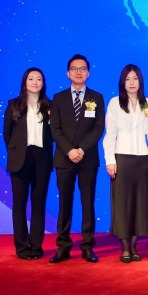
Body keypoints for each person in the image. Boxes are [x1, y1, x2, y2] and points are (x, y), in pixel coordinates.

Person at [49, 54, 105, 264]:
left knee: (87, 203)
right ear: (68, 73)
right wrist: (69, 150)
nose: (78, 72)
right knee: (65, 203)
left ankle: (88, 246)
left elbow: (98, 128)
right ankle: (63, 246)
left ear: (88, 73)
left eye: (82, 68)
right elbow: (55, 129)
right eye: (74, 68)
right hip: (64, 159)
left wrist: (80, 149)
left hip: (87, 158)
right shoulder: (59, 98)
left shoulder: (96, 98)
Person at [104, 64, 148, 263]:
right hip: (122, 159)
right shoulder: (115, 103)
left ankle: (134, 246)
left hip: (142, 159)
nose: (132, 83)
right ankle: (125, 247)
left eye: (135, 78)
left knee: (139, 203)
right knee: (122, 203)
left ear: (140, 81)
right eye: (128, 79)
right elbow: (110, 134)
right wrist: (110, 160)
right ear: (122, 82)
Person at [3, 67, 53, 260]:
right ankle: (22, 247)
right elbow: (7, 133)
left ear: (43, 83)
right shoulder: (13, 104)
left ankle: (37, 246)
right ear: (25, 82)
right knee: (19, 204)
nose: (35, 82)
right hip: (20, 159)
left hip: (42, 158)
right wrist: (15, 151)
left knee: (39, 203)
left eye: (39, 79)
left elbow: (55, 132)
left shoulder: (50, 105)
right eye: (31, 78)